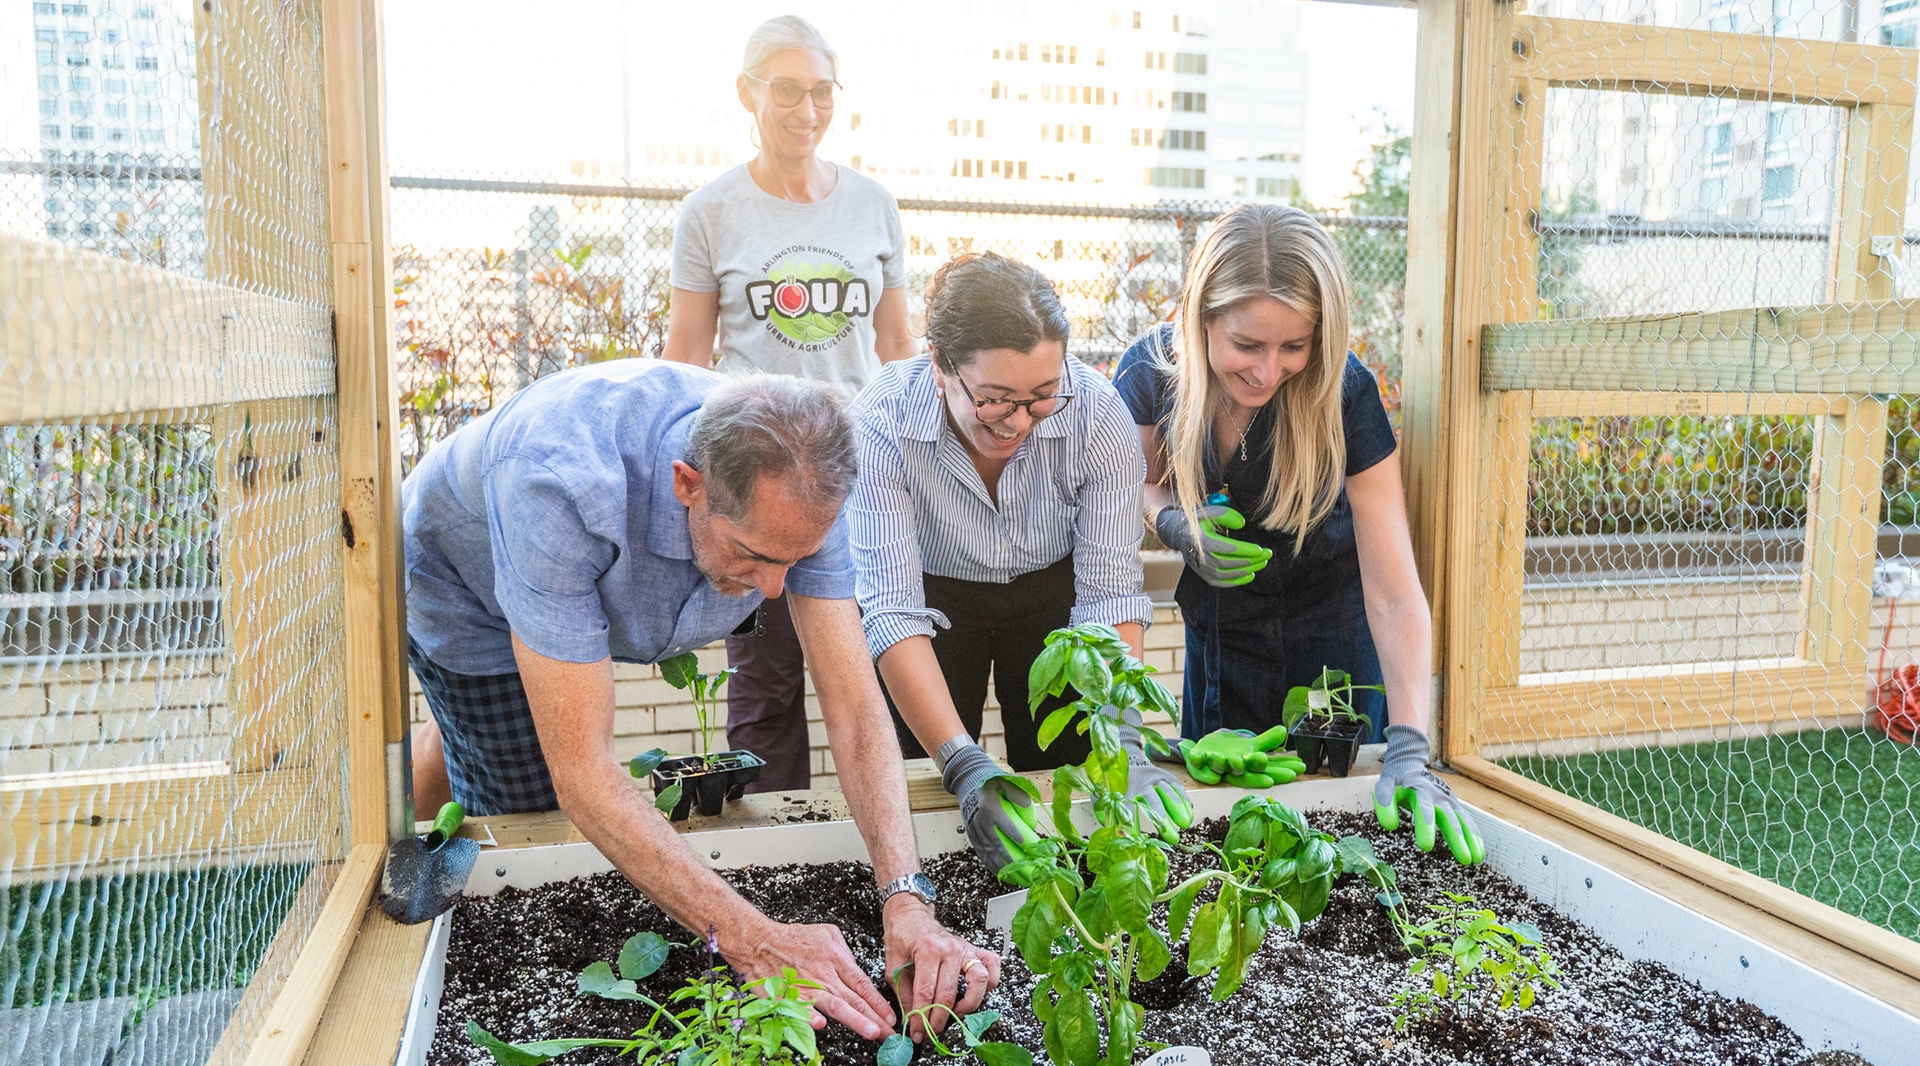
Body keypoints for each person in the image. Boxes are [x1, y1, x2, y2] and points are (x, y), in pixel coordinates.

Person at [403, 361, 997, 1041]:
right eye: (754, 556)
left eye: (794, 561)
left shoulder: (804, 477)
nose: (776, 591)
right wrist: (752, 940)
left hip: (600, 564)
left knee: (499, 745)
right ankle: (443, 765)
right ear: (690, 484)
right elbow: (583, 773)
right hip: (467, 594)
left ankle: (450, 737)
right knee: (528, 812)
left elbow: (857, 710)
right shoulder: (558, 481)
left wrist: (907, 898)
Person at [1113, 203, 1484, 865]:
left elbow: (1395, 591)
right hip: (1221, 641)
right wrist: (1175, 523)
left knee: (1335, 847)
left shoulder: (1346, 394)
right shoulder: (1147, 377)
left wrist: (1407, 746)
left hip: (1334, 644)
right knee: (1223, 850)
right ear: (1201, 320)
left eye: (1295, 345)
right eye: (1246, 345)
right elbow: (1133, 488)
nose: (1268, 370)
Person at [848, 252, 1190, 873]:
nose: (1020, 422)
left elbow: (1110, 594)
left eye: (1041, 397)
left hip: (1053, 603)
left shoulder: (1096, 412)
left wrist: (1129, 742)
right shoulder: (882, 418)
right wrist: (963, 763)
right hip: (935, 602)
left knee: (1073, 780)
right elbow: (892, 611)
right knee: (932, 784)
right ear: (939, 365)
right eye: (996, 399)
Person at [662, 15, 913, 795]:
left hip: (856, 482)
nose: (807, 110)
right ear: (749, 93)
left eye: (822, 93)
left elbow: (899, 350)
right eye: (788, 91)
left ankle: (892, 848)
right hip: (761, 487)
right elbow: (686, 360)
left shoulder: (874, 206)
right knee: (765, 690)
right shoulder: (709, 213)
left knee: (874, 676)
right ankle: (771, 867)